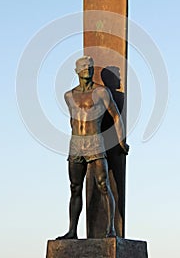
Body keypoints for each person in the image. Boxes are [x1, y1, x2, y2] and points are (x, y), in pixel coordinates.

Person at [56, 56, 129, 239]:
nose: (86, 69)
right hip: (76, 144)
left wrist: (121, 140)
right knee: (75, 187)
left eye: (89, 67)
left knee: (103, 184)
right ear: (76, 71)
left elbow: (115, 115)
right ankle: (72, 231)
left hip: (95, 141)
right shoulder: (68, 95)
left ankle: (110, 229)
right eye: (82, 67)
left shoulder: (102, 92)